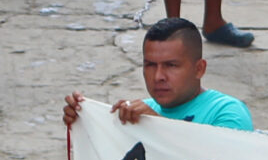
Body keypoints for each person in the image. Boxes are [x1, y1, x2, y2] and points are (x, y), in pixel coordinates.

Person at [69, 18, 258, 131]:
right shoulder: (139, 114)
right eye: (150, 65)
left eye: (171, 65)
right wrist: (83, 123)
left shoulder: (227, 112)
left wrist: (158, 128)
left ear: (199, 69)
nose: (158, 76)